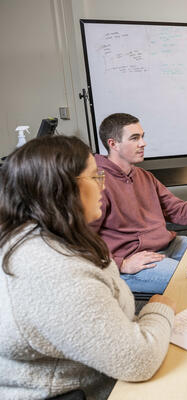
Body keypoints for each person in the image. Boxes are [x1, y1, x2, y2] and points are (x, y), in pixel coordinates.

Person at [0, 136, 175, 399]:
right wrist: (160, 310)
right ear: (61, 189)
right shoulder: (52, 269)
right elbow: (139, 360)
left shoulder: (50, 235)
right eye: (94, 177)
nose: (102, 187)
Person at [90, 113, 187, 295]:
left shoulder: (144, 176)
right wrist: (121, 264)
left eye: (142, 137)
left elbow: (177, 210)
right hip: (134, 260)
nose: (143, 143)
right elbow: (80, 240)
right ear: (113, 144)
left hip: (167, 245)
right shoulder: (96, 183)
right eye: (134, 138)